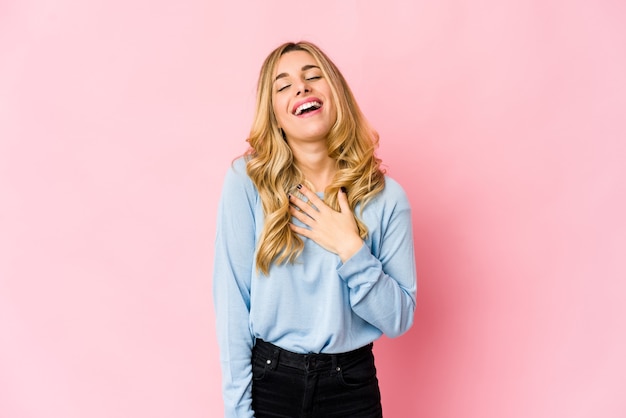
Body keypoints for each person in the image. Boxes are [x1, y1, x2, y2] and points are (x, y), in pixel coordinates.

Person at [213, 41, 417, 418]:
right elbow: (232, 307)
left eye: (312, 77)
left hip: (350, 388)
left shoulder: (387, 198)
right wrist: (238, 413)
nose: (301, 88)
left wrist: (351, 250)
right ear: (274, 114)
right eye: (283, 85)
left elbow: (399, 319)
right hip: (269, 384)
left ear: (334, 93)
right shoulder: (246, 183)